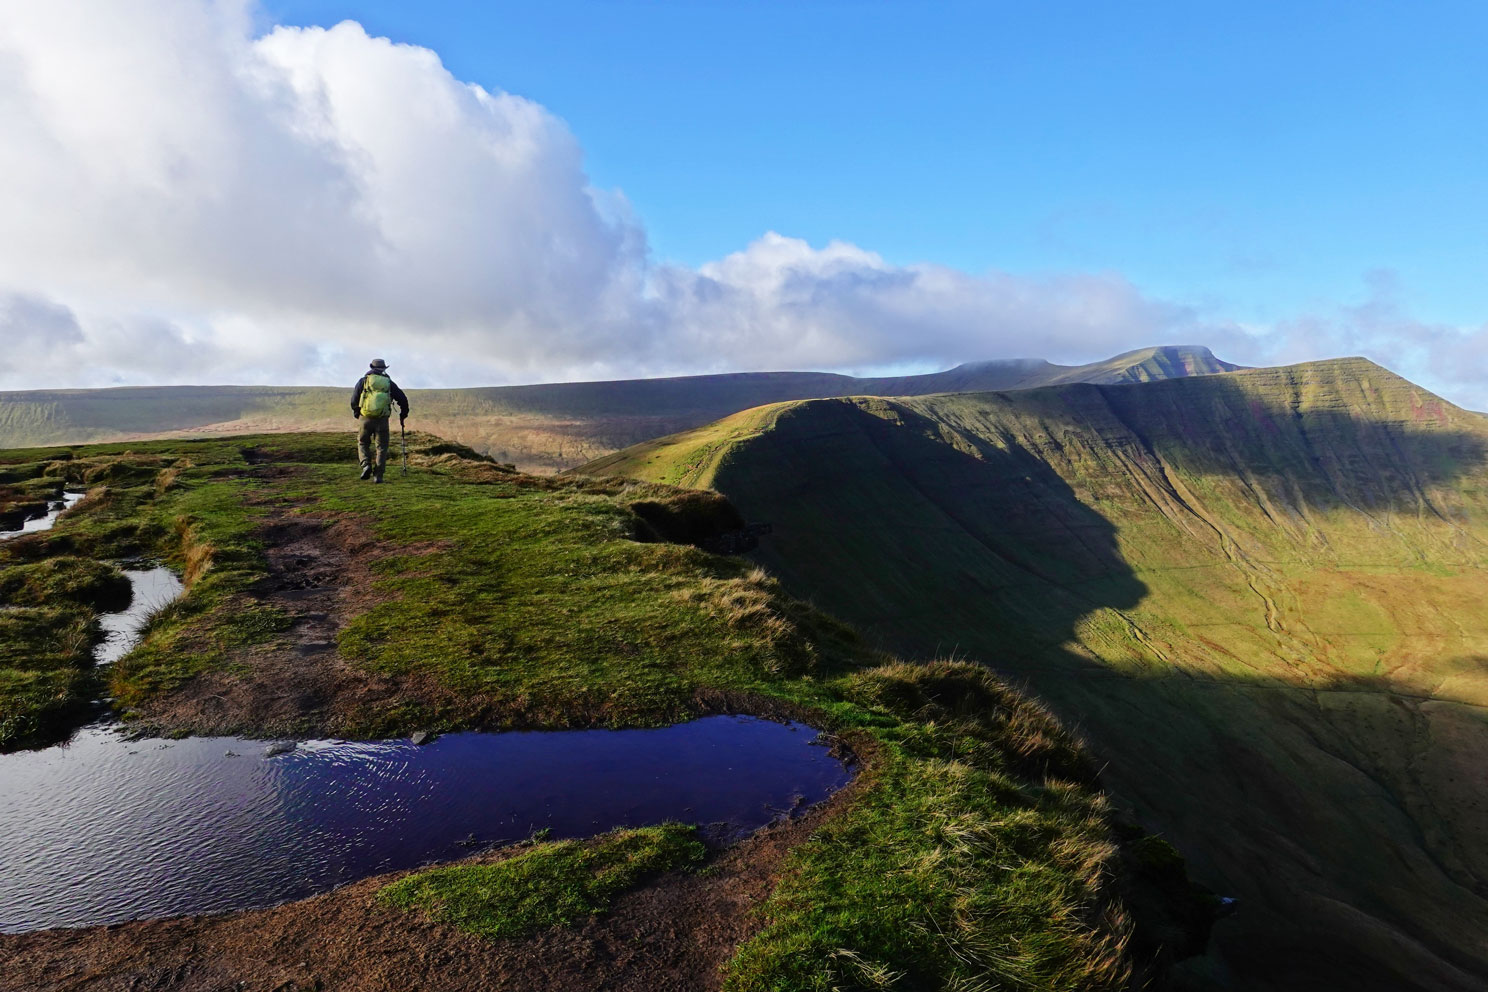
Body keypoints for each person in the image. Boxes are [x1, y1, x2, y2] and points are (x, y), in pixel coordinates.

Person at [350, 358, 410, 483]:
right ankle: (378, 476)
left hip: (365, 417)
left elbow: (354, 399)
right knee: (381, 447)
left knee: (362, 443)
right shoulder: (388, 383)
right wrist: (403, 414)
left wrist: (357, 413)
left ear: (371, 367)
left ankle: (366, 465)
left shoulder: (364, 381)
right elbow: (402, 398)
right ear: (384, 369)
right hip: (382, 419)